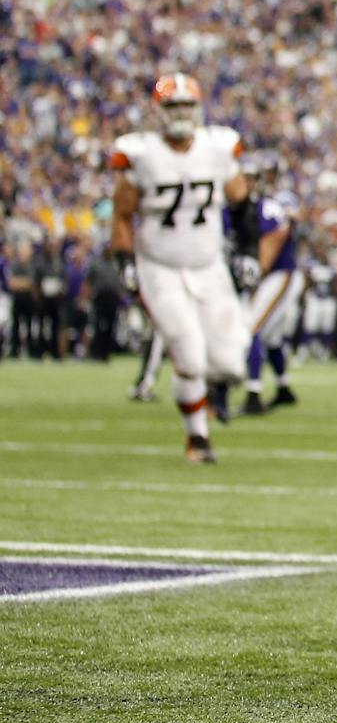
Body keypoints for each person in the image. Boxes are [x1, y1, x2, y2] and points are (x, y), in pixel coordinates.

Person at [109, 74, 251, 464]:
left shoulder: (217, 148)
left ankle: (211, 396)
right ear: (158, 111)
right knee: (188, 356)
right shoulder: (142, 153)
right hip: (161, 267)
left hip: (209, 265)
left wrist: (248, 251)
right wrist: (124, 262)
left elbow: (242, 204)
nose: (181, 114)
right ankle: (198, 439)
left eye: (187, 105)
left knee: (230, 363)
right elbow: (122, 215)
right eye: (173, 106)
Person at [239, 160, 303, 414]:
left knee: (250, 329)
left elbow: (280, 234)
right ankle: (284, 388)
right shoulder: (240, 207)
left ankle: (253, 394)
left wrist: (256, 274)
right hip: (265, 275)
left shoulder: (272, 205)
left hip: (278, 274)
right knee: (272, 338)